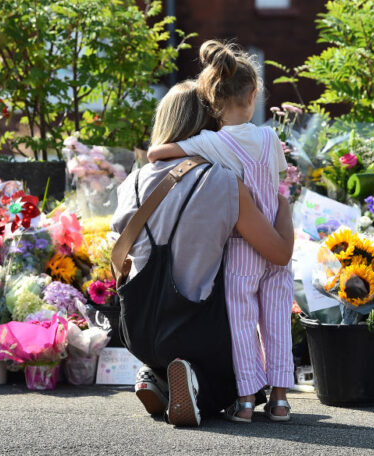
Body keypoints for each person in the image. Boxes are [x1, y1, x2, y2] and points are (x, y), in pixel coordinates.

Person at [111, 80, 294, 427]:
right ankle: (196, 387)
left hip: (139, 325)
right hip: (199, 328)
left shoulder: (132, 182)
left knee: (165, 348)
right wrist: (282, 206)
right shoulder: (223, 181)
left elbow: (124, 252)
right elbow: (279, 253)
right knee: (237, 383)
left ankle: (158, 374)